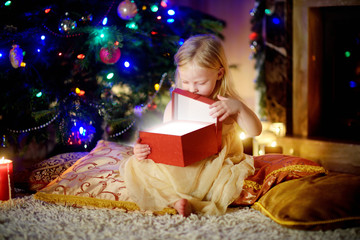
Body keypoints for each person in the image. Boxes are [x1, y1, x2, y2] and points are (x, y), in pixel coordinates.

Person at [123, 34, 262, 217]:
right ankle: (176, 200)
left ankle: (188, 199)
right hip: (185, 159)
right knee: (137, 166)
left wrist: (239, 108)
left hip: (217, 162)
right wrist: (143, 149)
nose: (191, 88)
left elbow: (255, 130)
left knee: (222, 185)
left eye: (200, 83)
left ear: (219, 74)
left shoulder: (227, 103)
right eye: (186, 81)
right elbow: (166, 139)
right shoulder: (177, 103)